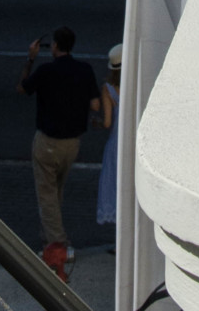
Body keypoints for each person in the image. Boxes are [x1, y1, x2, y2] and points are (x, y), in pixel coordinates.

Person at [18, 27, 101, 270]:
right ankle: (49, 241)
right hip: (72, 144)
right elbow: (95, 105)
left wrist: (30, 59)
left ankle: (58, 245)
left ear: (54, 46)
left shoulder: (45, 71)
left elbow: (23, 87)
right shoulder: (84, 70)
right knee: (56, 192)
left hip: (48, 142)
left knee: (47, 196)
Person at [96, 44, 121, 235]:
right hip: (133, 143)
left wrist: (94, 122)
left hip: (116, 145)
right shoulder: (136, 83)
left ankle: (118, 239)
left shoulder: (108, 90)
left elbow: (107, 123)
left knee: (114, 189)